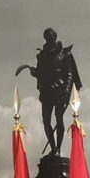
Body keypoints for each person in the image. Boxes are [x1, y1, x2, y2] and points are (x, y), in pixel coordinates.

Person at [16, 28, 82, 156]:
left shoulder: (64, 53)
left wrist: (67, 90)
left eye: (51, 36)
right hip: (46, 91)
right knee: (46, 121)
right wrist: (34, 72)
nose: (49, 38)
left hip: (59, 90)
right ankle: (53, 148)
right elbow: (41, 73)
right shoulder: (42, 55)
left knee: (59, 118)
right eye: (47, 36)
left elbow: (69, 74)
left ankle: (58, 149)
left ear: (55, 37)